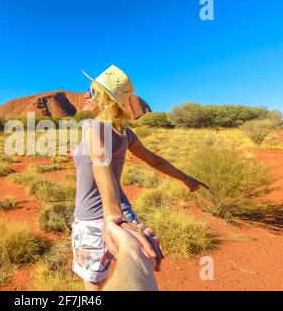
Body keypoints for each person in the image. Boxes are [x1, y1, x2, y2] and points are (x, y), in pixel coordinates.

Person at [72, 65, 208, 291]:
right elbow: (155, 160)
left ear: (106, 99)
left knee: (94, 282)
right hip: (126, 215)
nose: (86, 95)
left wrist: (111, 216)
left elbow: (100, 162)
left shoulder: (92, 126)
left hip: (95, 219)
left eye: (92, 91)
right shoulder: (125, 133)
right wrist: (187, 179)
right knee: (136, 267)